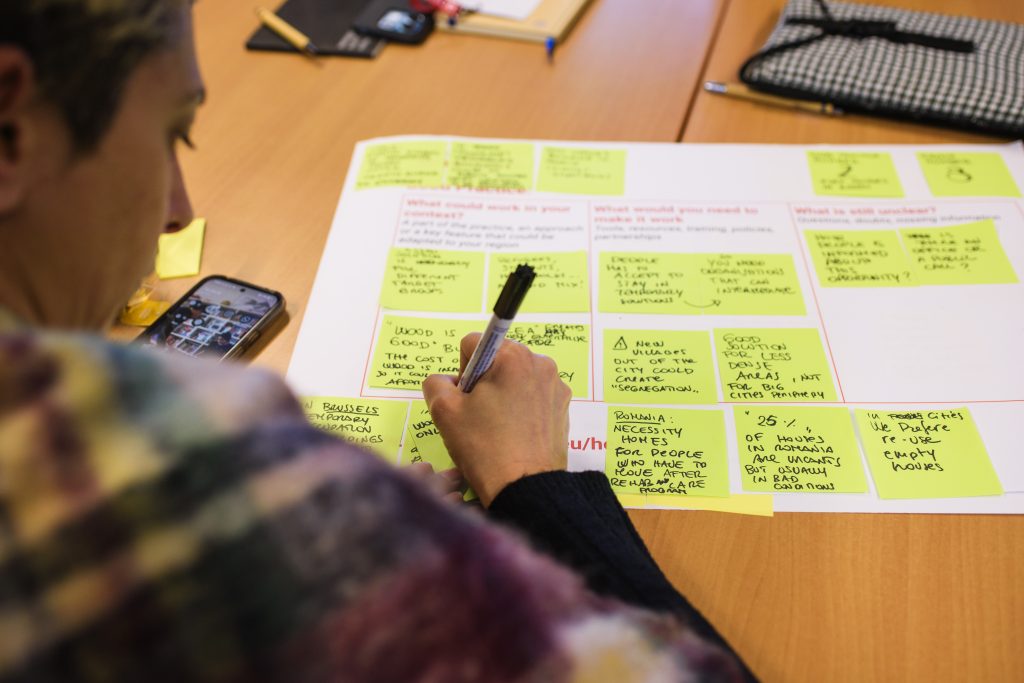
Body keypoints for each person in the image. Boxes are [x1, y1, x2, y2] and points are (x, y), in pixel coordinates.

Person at [0, 1, 754, 681]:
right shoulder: (170, 461)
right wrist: (533, 484)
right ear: (10, 130)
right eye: (174, 131)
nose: (180, 210)